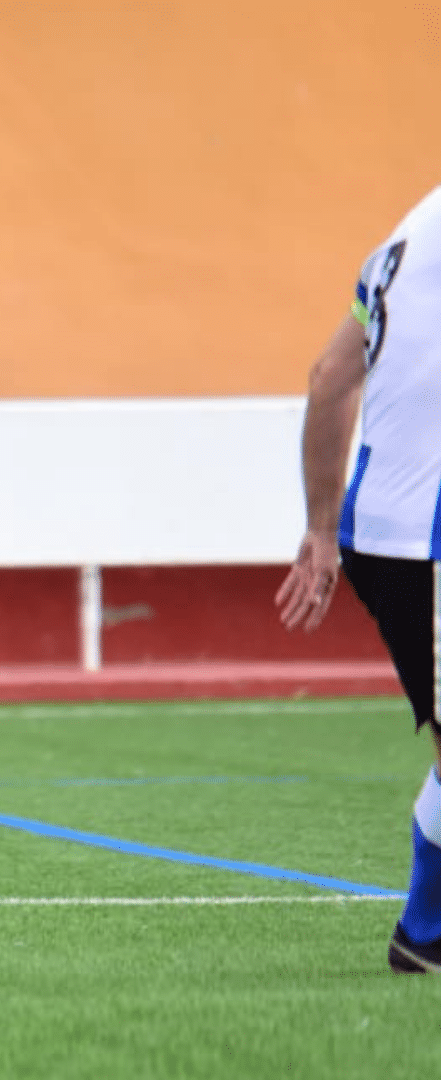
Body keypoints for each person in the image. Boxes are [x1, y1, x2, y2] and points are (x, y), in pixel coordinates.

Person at [277, 184, 441, 973]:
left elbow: (329, 376)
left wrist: (319, 527)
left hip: (385, 535)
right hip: (429, 541)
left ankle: (427, 935)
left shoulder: (406, 238)